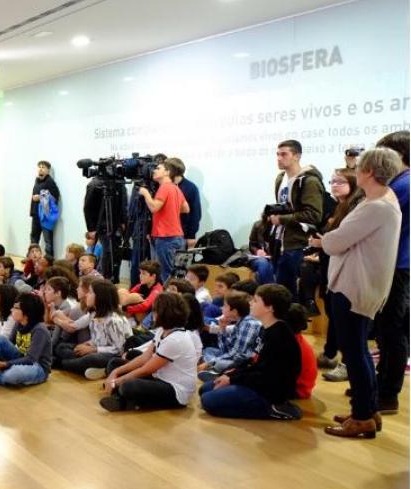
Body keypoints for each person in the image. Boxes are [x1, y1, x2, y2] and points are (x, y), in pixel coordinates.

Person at [315, 148, 402, 438]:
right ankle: (367, 409)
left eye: (359, 167)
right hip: (360, 284)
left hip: (355, 285)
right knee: (358, 350)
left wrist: (326, 239)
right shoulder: (382, 200)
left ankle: (363, 416)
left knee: (354, 352)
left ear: (368, 171)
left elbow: (334, 242)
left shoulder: (376, 206)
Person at [199, 284, 303, 420]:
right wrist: (231, 375)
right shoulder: (265, 328)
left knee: (208, 401)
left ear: (270, 308)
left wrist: (232, 380)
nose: (250, 303)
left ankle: (275, 409)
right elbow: (253, 361)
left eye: (255, 300)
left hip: (268, 392)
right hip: (256, 381)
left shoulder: (279, 336)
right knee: (205, 389)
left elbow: (266, 376)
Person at [303, 168, 364, 381]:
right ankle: (330, 353)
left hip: (346, 269)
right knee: (333, 313)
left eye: (340, 181)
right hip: (330, 265)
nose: (334, 185)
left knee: (347, 321)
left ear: (353, 184)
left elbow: (344, 240)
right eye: (332, 181)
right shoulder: (340, 207)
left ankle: (346, 363)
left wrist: (323, 242)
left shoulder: (356, 208)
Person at [99, 293, 199, 412]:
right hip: (160, 377)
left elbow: (146, 369)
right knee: (115, 363)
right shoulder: (162, 330)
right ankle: (123, 398)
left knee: (128, 385)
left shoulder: (175, 339)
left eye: (155, 311)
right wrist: (115, 372)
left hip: (176, 390)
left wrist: (116, 381)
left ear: (164, 314)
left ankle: (122, 399)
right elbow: (145, 357)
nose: (152, 314)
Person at [370, 131, 409, 415]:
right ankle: (381, 385)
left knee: (392, 330)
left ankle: (387, 393)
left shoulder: (402, 185)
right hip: (394, 263)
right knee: (387, 329)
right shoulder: (399, 184)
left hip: (396, 264)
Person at [269, 140, 324, 299]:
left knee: (289, 295)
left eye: (284, 154)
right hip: (279, 241)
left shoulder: (309, 181)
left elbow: (313, 215)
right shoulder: (280, 178)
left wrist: (282, 219)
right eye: (277, 154)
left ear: (297, 156)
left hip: (297, 243)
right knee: (279, 292)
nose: (279, 158)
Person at [138, 160, 189, 283]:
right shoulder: (176, 188)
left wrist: (145, 194)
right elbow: (186, 208)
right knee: (177, 275)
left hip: (166, 238)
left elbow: (154, 208)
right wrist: (170, 209)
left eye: (158, 168)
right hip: (178, 237)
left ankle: (168, 296)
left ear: (167, 172)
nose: (154, 171)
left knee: (166, 275)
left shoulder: (164, 187)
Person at [166, 158, 202, 248]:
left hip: (182, 236)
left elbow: (196, 213)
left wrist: (191, 235)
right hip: (165, 235)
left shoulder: (191, 188)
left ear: (172, 171)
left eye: (166, 169)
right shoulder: (164, 186)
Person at [29, 160, 61, 257]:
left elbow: (55, 197)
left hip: (45, 217)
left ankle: (49, 259)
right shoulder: (37, 181)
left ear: (48, 170)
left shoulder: (50, 182)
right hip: (36, 214)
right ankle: (32, 257)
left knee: (48, 240)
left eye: (43, 167)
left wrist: (40, 197)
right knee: (34, 238)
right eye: (39, 167)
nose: (40, 169)